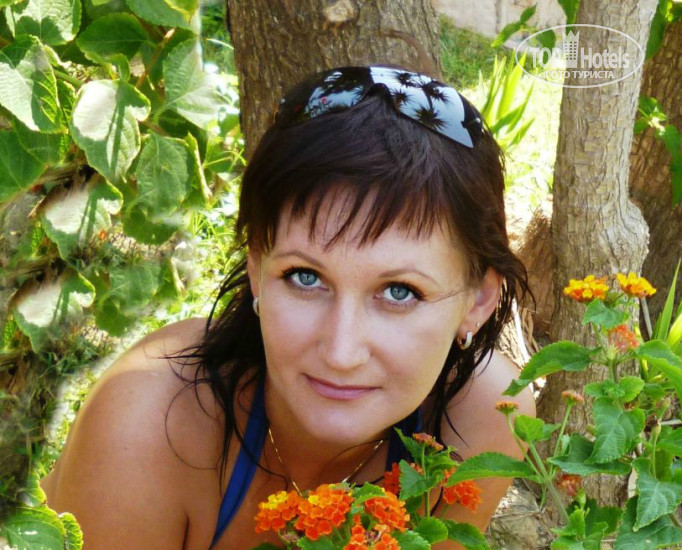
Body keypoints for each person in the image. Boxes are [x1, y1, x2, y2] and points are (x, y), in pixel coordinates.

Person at [41, 66, 536, 549]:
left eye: (400, 292)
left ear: (478, 300)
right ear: (257, 269)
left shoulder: (483, 420)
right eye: (306, 277)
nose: (341, 352)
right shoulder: (147, 427)